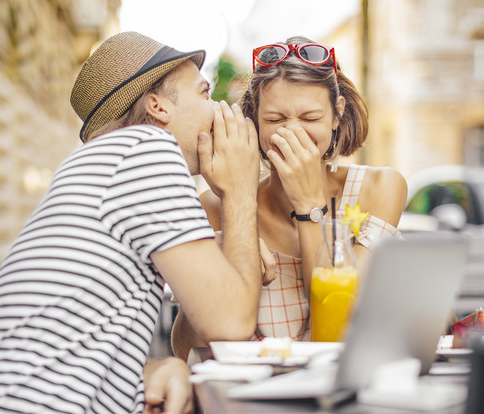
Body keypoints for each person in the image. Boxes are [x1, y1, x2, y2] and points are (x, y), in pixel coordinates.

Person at [0, 31, 263, 414]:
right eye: (203, 93)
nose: (216, 109)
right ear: (158, 106)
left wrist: (149, 370)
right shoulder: (147, 150)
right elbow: (230, 324)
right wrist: (242, 191)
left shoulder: (105, 160)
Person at [172, 36, 407, 357]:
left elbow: (342, 321)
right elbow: (187, 350)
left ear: (337, 114)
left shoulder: (379, 188)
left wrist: (310, 206)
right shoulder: (215, 205)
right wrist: (222, 250)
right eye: (275, 119)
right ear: (253, 118)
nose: (292, 133)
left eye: (310, 118)